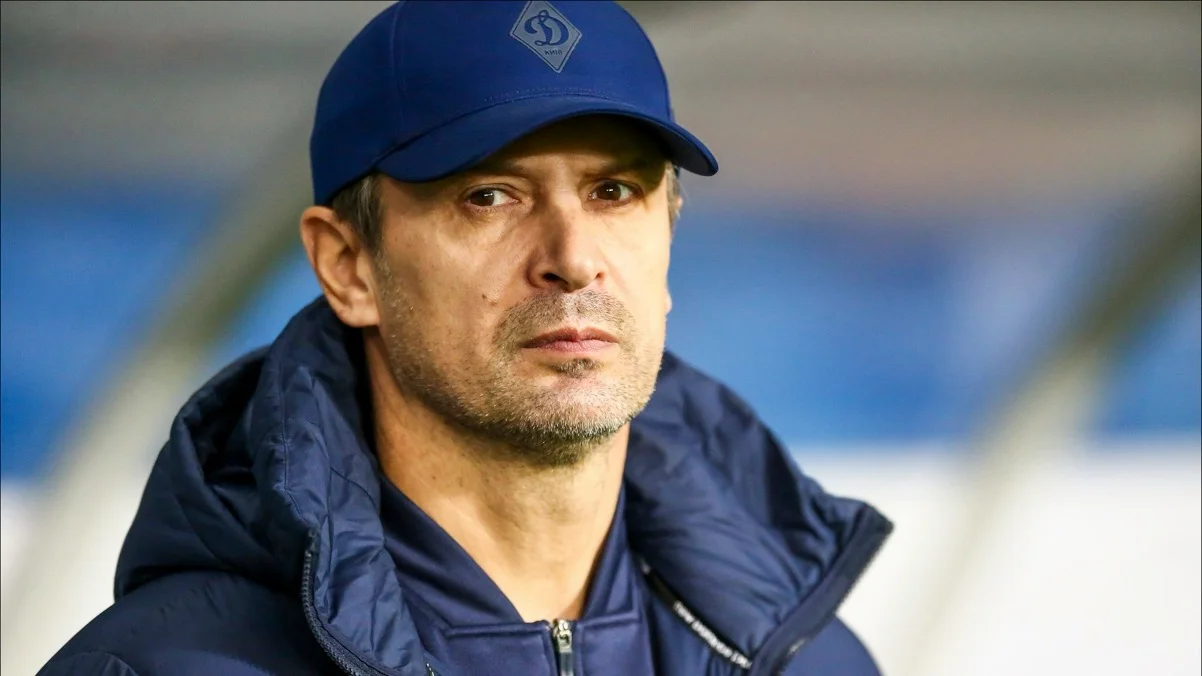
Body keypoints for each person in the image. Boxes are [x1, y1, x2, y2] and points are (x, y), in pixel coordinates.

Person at [38, 2, 892, 674]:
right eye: (490, 196)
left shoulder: (809, 659)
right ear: (347, 266)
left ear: (668, 233)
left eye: (614, 192)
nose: (573, 260)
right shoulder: (164, 666)